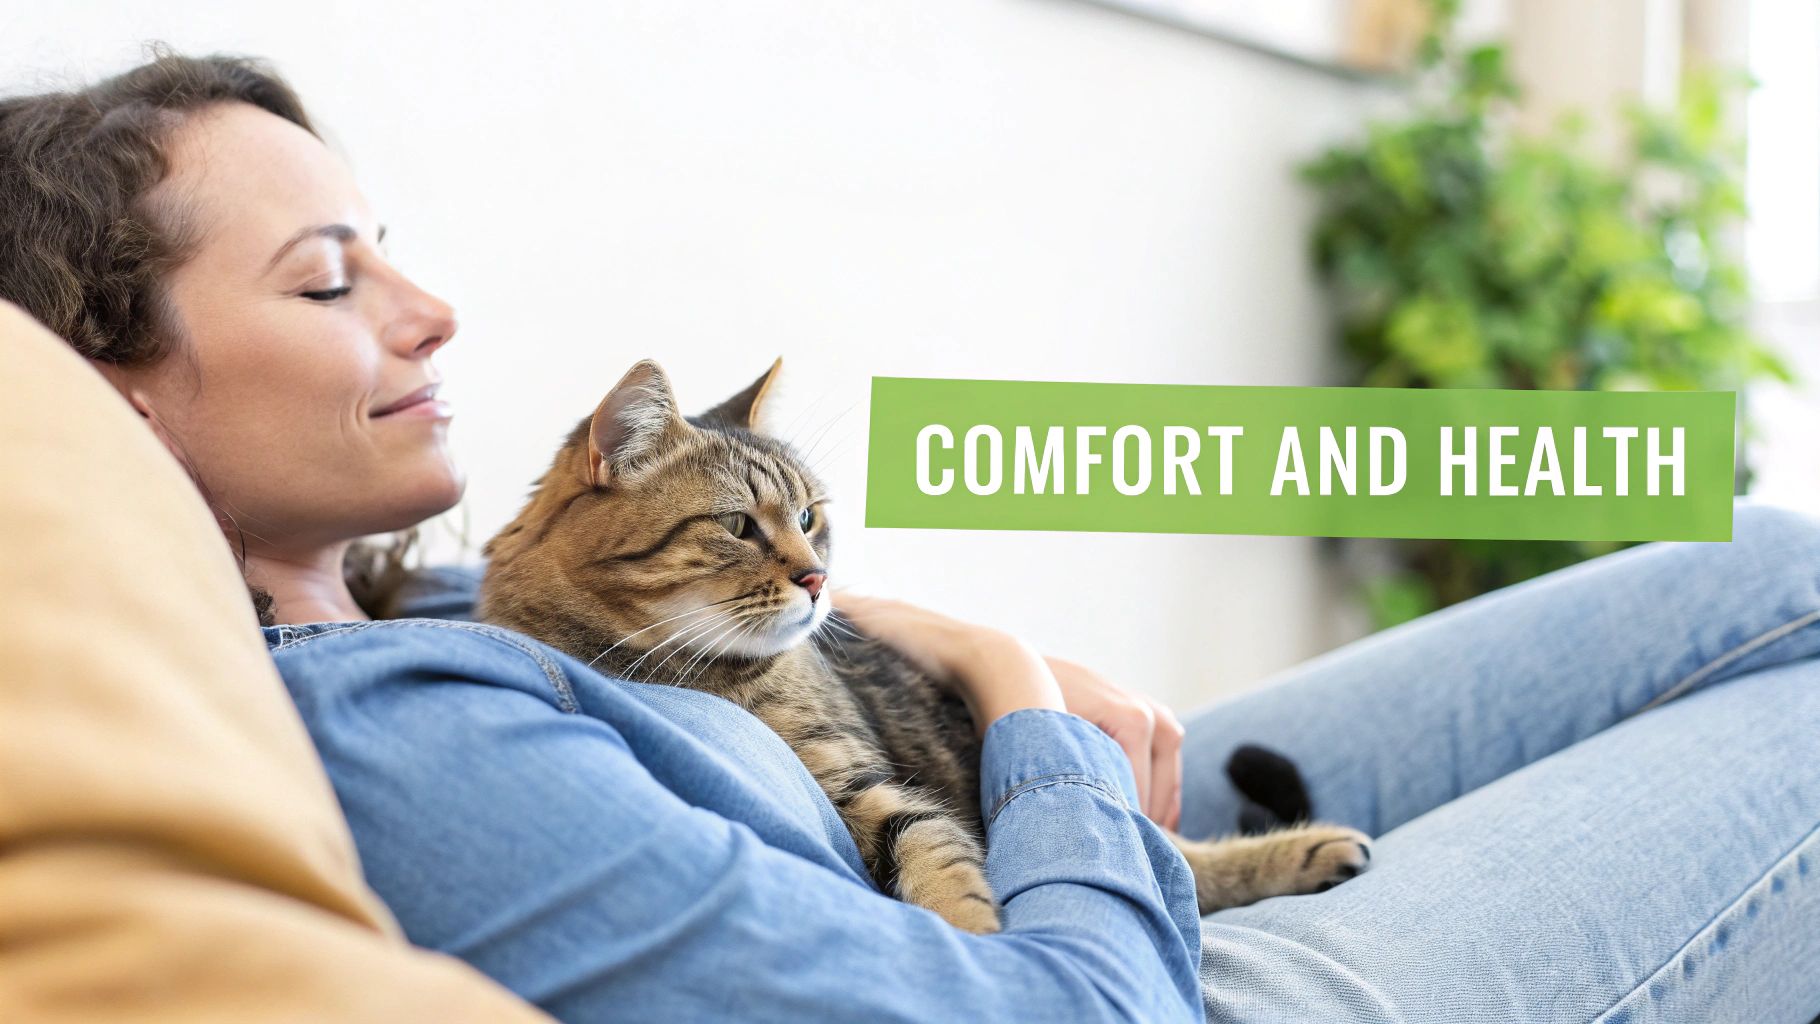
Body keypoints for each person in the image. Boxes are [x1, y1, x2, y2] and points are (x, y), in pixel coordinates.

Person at [2, 51, 1815, 1024]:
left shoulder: (475, 602)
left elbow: (765, 616)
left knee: (1764, 561)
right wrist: (1020, 698)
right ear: (109, 386)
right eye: (329, 280)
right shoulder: (383, 730)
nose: (434, 311)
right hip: (1139, 979)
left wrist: (932, 646)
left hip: (1067, 851)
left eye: (392, 245)